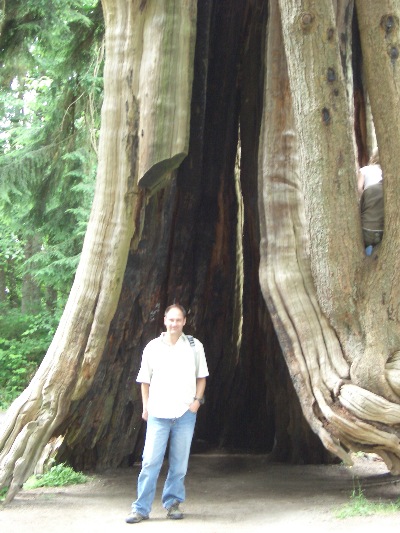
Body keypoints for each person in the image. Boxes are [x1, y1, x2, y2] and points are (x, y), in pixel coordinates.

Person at [125, 304, 209, 524]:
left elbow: (202, 377)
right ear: (164, 320)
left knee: (179, 463)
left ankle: (172, 503)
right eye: (171, 320)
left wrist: (197, 402)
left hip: (185, 413)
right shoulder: (153, 347)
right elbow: (145, 380)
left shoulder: (194, 346)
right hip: (158, 413)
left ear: (184, 321)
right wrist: (146, 407)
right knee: (150, 461)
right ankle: (141, 508)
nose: (174, 324)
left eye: (178, 320)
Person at [357, 149, 384, 255]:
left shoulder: (365, 169)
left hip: (369, 197)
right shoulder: (387, 170)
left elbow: (359, 188)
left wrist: (366, 195)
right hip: (381, 226)